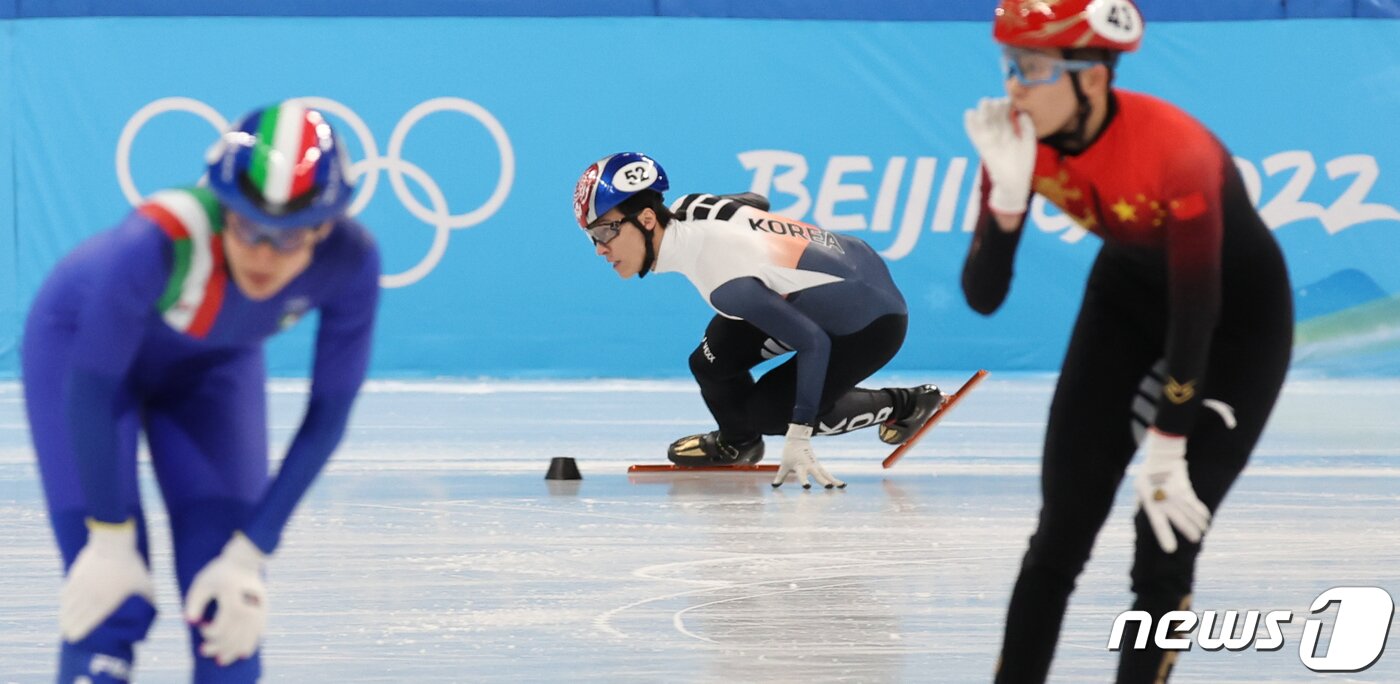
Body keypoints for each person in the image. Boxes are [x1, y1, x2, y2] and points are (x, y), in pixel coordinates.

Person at [959, 1, 1293, 681]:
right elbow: (984, 297)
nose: (1014, 86)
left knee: (1163, 539)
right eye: (1010, 66)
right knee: (1060, 532)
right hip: (1128, 297)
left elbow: (1198, 309)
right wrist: (1008, 196)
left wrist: (1170, 442)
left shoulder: (1177, 149)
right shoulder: (1017, 144)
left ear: (1093, 77)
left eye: (1033, 68)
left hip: (1236, 324)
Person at [23, 101, 381, 683]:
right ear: (220, 209)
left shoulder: (352, 262)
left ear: (324, 228)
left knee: (229, 610)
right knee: (108, 602)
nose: (264, 255)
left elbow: (330, 410)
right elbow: (93, 386)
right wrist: (110, 539)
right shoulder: (156, 239)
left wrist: (252, 551)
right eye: (248, 228)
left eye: (288, 239)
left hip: (211, 372)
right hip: (77, 358)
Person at [573, 152, 946, 489]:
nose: (600, 248)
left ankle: (907, 404)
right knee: (709, 364)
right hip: (842, 261)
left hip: (869, 318)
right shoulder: (688, 206)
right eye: (592, 236)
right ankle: (739, 443)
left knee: (771, 414)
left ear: (648, 219)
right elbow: (756, 202)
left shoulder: (724, 283)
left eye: (605, 231)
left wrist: (798, 435)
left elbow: (815, 342)